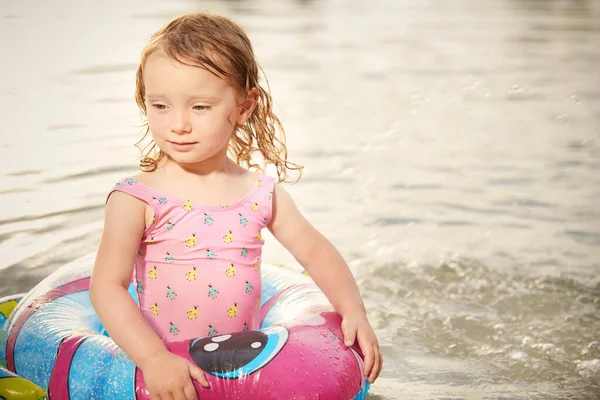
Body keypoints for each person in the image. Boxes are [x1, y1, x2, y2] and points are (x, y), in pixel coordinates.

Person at [89, 10, 382, 400]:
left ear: (244, 107)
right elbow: (107, 287)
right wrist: (153, 358)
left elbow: (315, 252)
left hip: (246, 373)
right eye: (160, 106)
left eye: (200, 107)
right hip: (162, 367)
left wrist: (353, 312)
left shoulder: (259, 193)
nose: (178, 124)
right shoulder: (137, 198)